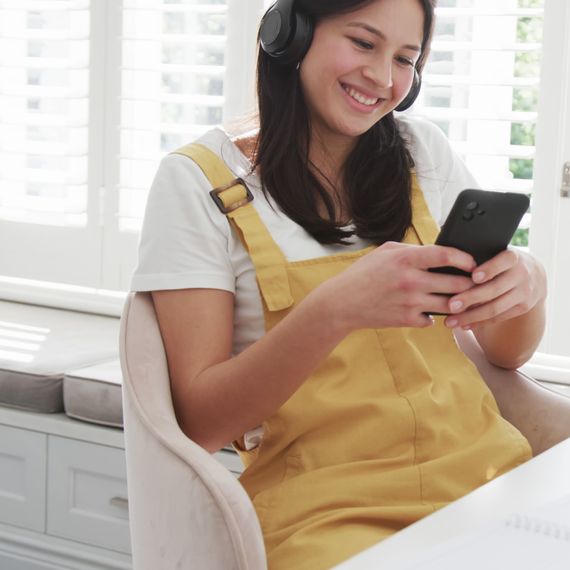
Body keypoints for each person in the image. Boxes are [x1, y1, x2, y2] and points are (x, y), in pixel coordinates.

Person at [130, 0, 547, 567]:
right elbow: (199, 424)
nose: (383, 78)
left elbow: (506, 351)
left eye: (406, 58)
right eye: (362, 43)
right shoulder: (199, 181)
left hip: (490, 480)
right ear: (291, 34)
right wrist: (334, 310)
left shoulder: (421, 153)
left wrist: (528, 281)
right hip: (325, 515)